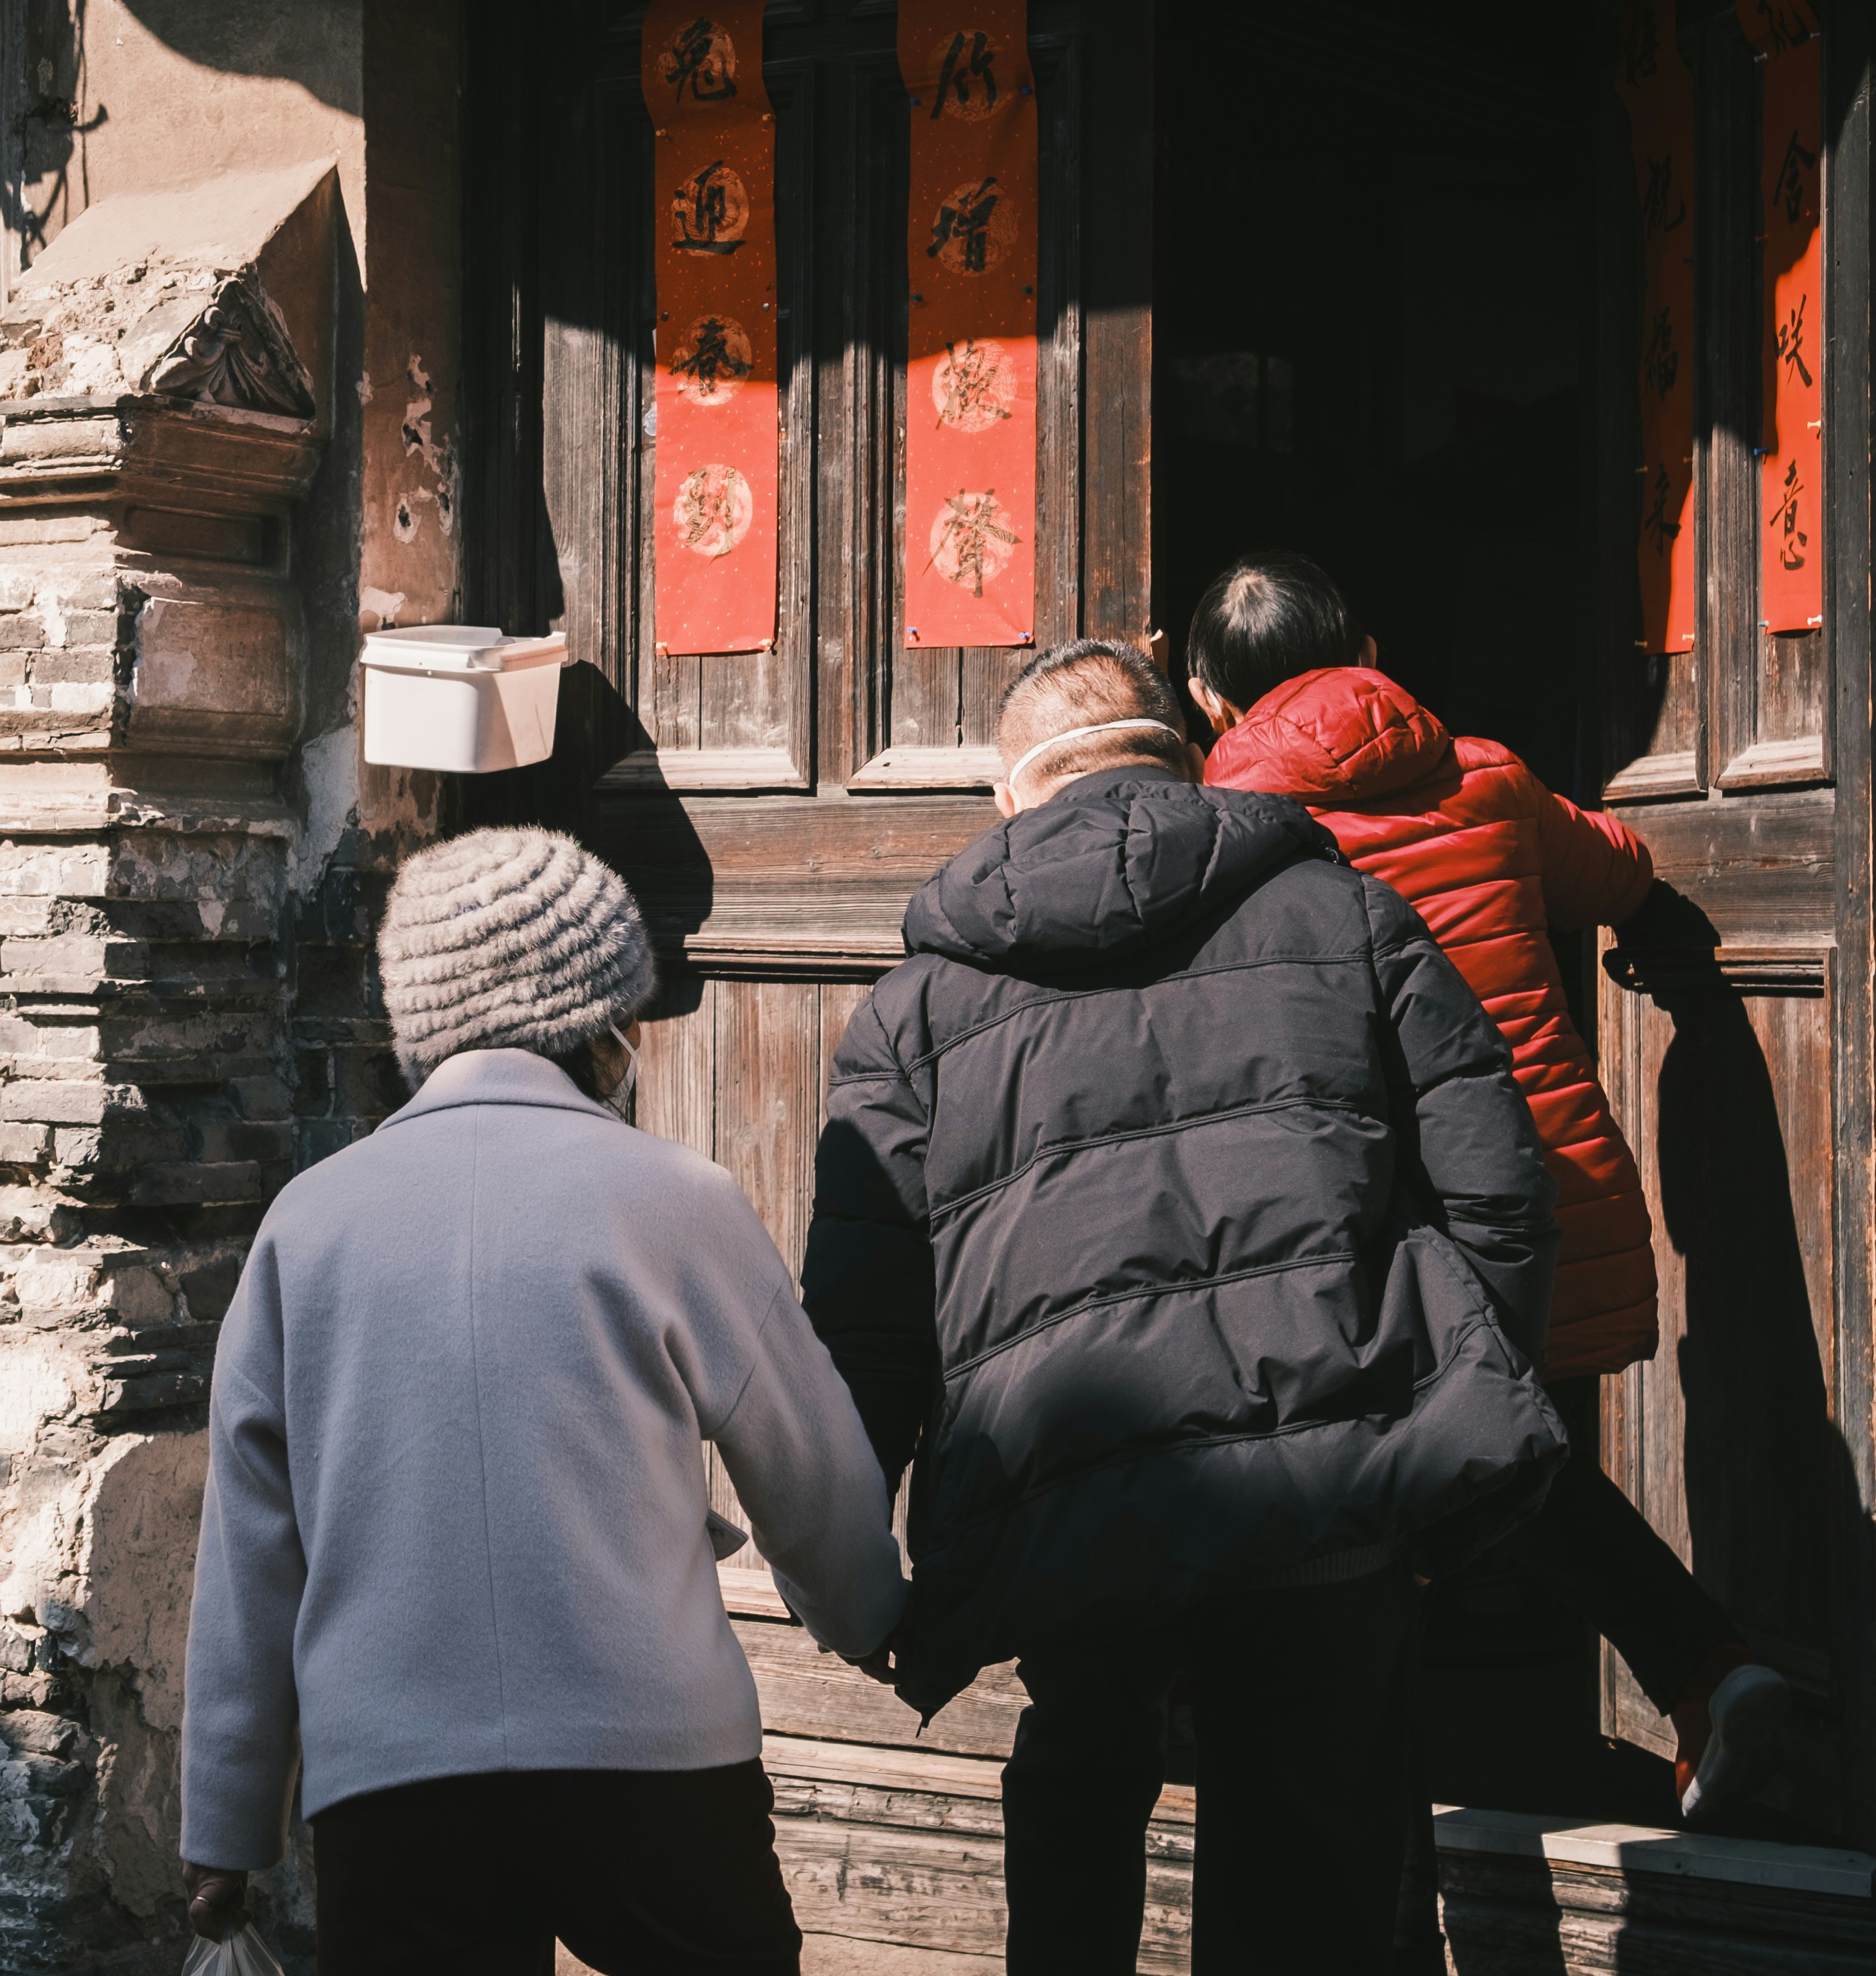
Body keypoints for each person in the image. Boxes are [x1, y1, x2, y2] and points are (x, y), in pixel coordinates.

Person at [801, 639, 1567, 1976]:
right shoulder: (1351, 919)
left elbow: (863, 1324)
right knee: (1310, 1897)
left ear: (1009, 794)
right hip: (1327, 1495)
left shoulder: (913, 1009)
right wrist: (1448, 1458)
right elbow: (1497, 1200)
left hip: (1063, 1503)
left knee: (1076, 1822)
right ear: (1190, 758)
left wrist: (851, 1572)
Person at [179, 825, 907, 1976]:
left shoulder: (306, 1226)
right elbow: (808, 1469)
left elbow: (250, 1552)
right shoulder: (675, 1197)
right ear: (600, 1022)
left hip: (395, 1787)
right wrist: (872, 1619)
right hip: (656, 1762)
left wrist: (226, 1825)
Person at [1188, 549, 1797, 1819]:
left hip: (1387, 1230)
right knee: (1524, 1468)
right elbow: (1622, 868)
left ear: (1207, 698)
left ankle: (1415, 1820)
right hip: (1551, 1194)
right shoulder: (1486, 778)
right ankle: (1706, 1675)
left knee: (1419, 1513)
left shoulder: (1230, 838)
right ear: (1362, 638)